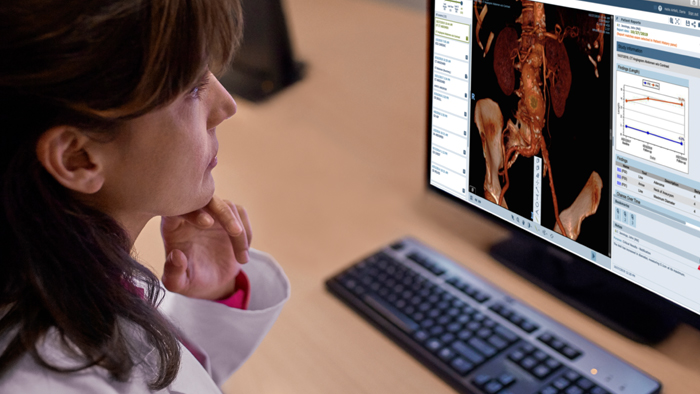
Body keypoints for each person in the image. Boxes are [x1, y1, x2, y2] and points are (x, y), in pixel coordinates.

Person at [0, 0, 290, 393]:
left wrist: (209, 297)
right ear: (77, 157)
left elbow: (154, 372)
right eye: (192, 88)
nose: (226, 105)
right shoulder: (46, 379)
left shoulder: (65, 265)